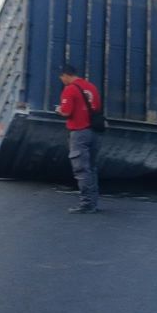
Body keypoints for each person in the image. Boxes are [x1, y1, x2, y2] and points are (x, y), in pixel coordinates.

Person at [55, 64, 102, 214]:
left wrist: (59, 110)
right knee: (91, 169)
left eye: (61, 78)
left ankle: (86, 204)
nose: (62, 80)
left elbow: (67, 112)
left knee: (81, 169)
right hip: (94, 133)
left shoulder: (69, 89)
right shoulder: (92, 87)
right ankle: (93, 202)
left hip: (79, 133)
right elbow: (96, 108)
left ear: (65, 75)